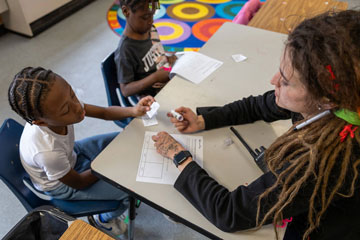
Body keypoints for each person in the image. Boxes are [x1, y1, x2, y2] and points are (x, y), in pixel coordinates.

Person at [152, 10, 360, 240]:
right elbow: (259, 106)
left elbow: (229, 213)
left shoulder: (324, 159)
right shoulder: (335, 100)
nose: (273, 81)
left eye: (286, 81)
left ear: (327, 99)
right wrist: (204, 119)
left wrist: (180, 157)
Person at [8, 67, 154, 238]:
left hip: (71, 154)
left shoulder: (63, 104)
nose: (77, 108)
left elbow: (104, 112)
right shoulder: (48, 152)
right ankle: (104, 220)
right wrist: (106, 161)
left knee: (124, 139)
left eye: (72, 94)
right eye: (65, 110)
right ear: (40, 122)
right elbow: (78, 183)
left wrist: (133, 111)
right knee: (129, 191)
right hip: (64, 185)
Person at [115, 0, 176, 103]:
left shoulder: (150, 30)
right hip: (153, 99)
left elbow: (156, 55)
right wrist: (155, 77)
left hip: (168, 85)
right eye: (145, 17)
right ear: (126, 11)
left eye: (152, 15)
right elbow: (125, 90)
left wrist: (168, 59)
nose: (151, 21)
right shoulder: (125, 51)